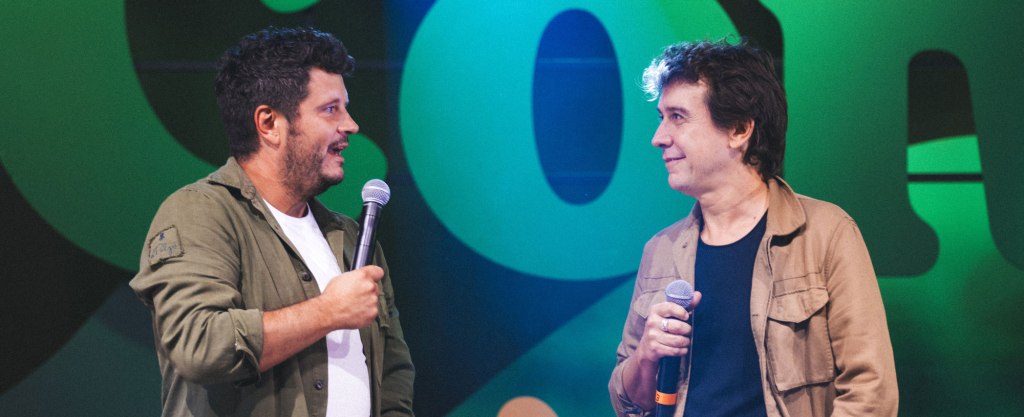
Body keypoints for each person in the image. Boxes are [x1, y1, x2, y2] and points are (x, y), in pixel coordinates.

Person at [130, 27, 414, 417]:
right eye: (330, 109)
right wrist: (328, 311)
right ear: (268, 123)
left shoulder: (350, 237)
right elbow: (200, 345)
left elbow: (393, 374)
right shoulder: (201, 213)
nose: (351, 125)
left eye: (345, 108)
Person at [608, 39, 898, 417]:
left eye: (677, 117)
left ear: (740, 129)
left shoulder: (827, 234)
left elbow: (871, 394)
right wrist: (646, 355)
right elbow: (628, 403)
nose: (659, 137)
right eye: (661, 117)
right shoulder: (660, 250)